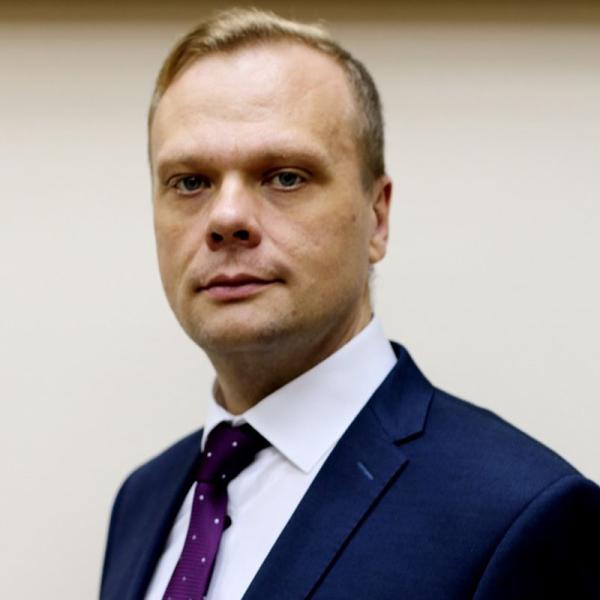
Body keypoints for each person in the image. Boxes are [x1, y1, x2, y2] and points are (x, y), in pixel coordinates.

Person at [100, 8, 600, 600]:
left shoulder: (518, 516)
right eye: (190, 182)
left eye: (285, 176)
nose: (226, 217)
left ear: (377, 218)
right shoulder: (143, 499)